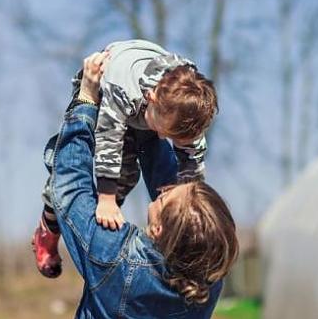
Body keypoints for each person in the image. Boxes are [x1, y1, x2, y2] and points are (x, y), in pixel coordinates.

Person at [36, 51, 238, 318]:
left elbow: (69, 187)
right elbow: (180, 208)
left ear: (157, 229)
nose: (166, 187)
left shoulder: (116, 258)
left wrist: (85, 99)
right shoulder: (207, 280)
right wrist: (151, 119)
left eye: (164, 198)